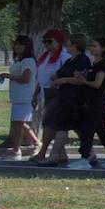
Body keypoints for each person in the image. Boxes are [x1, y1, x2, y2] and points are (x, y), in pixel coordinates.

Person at [56, 35, 105, 169]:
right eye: (91, 46)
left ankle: (85, 158)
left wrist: (84, 81)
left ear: (103, 49)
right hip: (92, 100)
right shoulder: (94, 64)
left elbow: (98, 84)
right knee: (101, 129)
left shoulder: (103, 64)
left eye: (95, 46)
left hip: (99, 101)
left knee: (87, 129)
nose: (91, 48)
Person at [0, 35, 39, 159]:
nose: (18, 47)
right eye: (16, 44)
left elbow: (26, 78)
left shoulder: (28, 61)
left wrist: (9, 76)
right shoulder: (18, 61)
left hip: (24, 97)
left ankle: (16, 150)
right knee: (19, 123)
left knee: (18, 124)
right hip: (17, 97)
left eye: (21, 45)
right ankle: (36, 143)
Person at [33, 28, 72, 162]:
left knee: (49, 124)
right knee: (55, 125)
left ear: (59, 41)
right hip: (46, 93)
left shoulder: (65, 58)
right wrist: (35, 94)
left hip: (59, 93)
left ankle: (43, 152)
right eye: (45, 42)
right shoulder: (44, 58)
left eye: (50, 41)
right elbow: (40, 78)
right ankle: (62, 154)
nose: (47, 44)